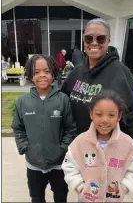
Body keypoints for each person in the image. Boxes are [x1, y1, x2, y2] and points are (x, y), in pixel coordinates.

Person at [61, 18, 133, 169]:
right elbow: (61, 104)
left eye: (100, 38)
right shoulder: (75, 73)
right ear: (84, 40)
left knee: (108, 190)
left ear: (108, 40)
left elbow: (131, 112)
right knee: (84, 190)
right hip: (80, 149)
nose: (94, 42)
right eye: (89, 38)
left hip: (109, 151)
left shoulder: (121, 73)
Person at [12, 54, 76, 203]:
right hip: (33, 164)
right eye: (36, 72)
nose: (42, 75)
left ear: (53, 73)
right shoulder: (22, 102)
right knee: (36, 197)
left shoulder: (62, 99)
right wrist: (25, 147)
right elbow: (18, 128)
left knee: (60, 197)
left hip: (59, 164)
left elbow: (70, 129)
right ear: (30, 75)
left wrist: (62, 149)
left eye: (47, 71)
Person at [62, 90, 133, 202]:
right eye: (99, 114)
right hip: (86, 199)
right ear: (91, 114)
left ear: (119, 116)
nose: (105, 120)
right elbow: (69, 167)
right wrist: (81, 187)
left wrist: (123, 188)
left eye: (111, 115)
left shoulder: (128, 144)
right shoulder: (80, 142)